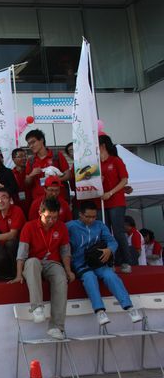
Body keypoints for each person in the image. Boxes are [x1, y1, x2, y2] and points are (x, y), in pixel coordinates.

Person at [67, 201, 143, 325]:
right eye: (88, 217)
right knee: (89, 277)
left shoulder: (100, 225)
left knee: (110, 276)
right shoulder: (70, 226)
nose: (91, 220)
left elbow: (112, 241)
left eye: (94, 217)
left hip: (99, 261)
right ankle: (100, 311)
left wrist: (109, 249)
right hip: (81, 263)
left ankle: (129, 308)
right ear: (80, 214)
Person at [12, 198, 75, 340]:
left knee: (61, 278)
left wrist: (68, 270)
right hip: (33, 263)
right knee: (33, 262)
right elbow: (22, 253)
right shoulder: (29, 226)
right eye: (48, 217)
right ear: (40, 212)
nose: (51, 221)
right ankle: (37, 307)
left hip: (53, 263)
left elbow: (65, 252)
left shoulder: (61, 227)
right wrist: (18, 274)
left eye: (55, 217)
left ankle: (57, 326)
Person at [98, 134, 133, 273]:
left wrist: (111, 192)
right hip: (102, 203)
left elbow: (124, 180)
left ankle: (126, 261)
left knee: (118, 231)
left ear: (102, 146)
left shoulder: (116, 160)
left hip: (116, 202)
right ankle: (110, 262)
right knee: (105, 233)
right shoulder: (96, 164)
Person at [24, 129, 70, 202]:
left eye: (33, 142)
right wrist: (31, 174)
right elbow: (27, 183)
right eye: (29, 144)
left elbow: (68, 175)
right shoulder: (30, 160)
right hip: (39, 200)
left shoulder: (57, 155)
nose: (31, 146)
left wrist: (53, 180)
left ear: (41, 140)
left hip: (58, 199)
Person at [11, 148, 32, 217]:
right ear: (13, 159)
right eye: (20, 156)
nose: (24, 158)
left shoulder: (30, 171)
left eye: (25, 156)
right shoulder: (10, 174)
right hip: (17, 206)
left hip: (31, 204)